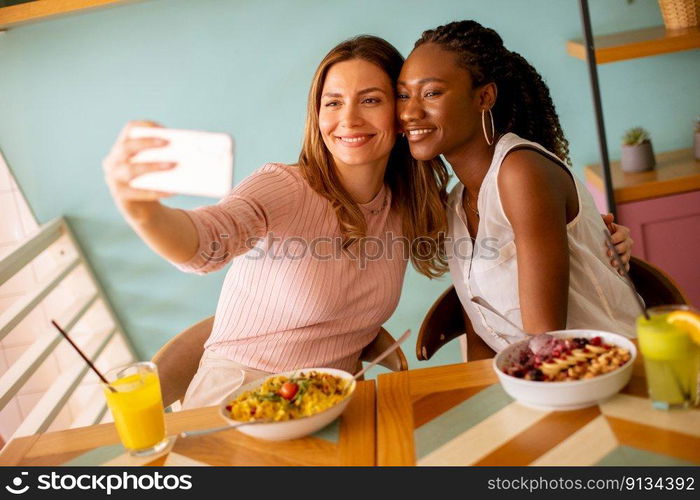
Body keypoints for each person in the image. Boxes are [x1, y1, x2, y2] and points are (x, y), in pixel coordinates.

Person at [102, 36, 449, 408]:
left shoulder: (402, 203)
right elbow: (207, 244)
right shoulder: (284, 186)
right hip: (239, 399)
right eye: (333, 102)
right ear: (317, 117)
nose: (348, 119)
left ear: (398, 115)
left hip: (329, 406)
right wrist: (143, 211)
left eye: (370, 100)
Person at [396, 20, 638, 361]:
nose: (409, 111)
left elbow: (545, 342)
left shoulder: (521, 172)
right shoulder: (457, 203)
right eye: (403, 95)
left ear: (484, 96)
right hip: (532, 380)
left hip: (608, 374)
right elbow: (482, 335)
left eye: (431, 92)